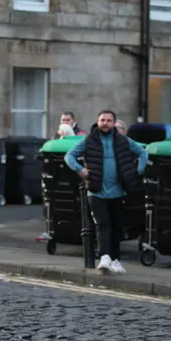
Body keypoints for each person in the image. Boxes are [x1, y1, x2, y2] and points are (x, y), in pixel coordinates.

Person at [64, 109, 148, 274]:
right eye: (103, 120)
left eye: (109, 121)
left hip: (118, 191)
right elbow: (69, 156)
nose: (105, 123)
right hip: (96, 190)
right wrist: (81, 170)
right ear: (98, 121)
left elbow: (143, 153)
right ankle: (104, 257)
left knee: (117, 227)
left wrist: (137, 171)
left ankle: (115, 260)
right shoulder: (89, 140)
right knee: (103, 224)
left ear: (114, 123)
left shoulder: (123, 140)